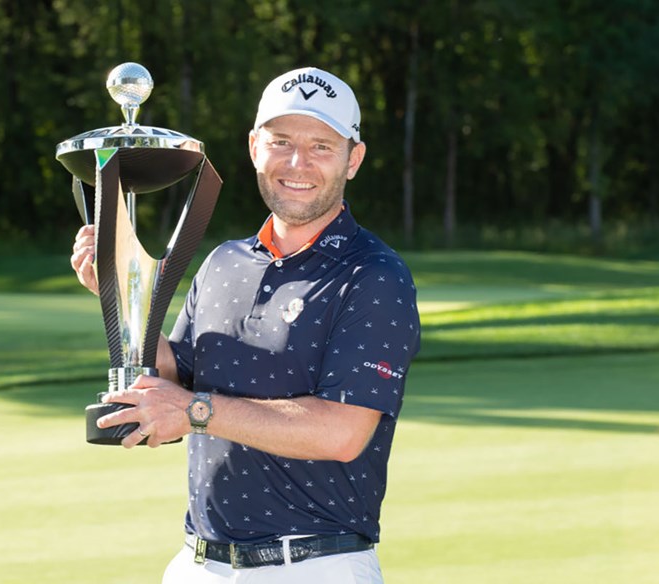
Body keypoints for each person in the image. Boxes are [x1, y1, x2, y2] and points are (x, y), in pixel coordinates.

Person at [70, 66, 421, 583]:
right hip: (198, 564)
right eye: (281, 141)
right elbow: (177, 379)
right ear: (254, 146)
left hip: (313, 567)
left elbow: (341, 432)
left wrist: (193, 410)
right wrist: (120, 292)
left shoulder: (372, 275)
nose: (297, 162)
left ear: (354, 159)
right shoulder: (224, 263)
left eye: (322, 145)